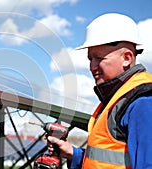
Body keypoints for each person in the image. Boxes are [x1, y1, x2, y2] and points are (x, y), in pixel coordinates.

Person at [47, 13, 152, 169]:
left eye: (99, 58)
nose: (92, 67)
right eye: (90, 59)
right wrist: (72, 153)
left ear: (127, 58)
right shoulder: (116, 99)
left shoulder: (143, 102)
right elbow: (108, 160)